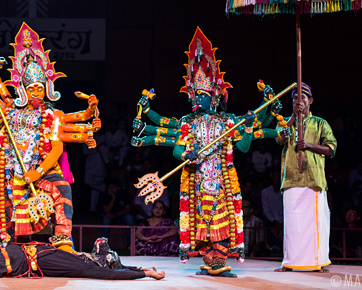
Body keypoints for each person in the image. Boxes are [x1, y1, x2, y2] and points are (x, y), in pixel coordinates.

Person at [0, 23, 101, 250]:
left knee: (63, 189)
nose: (36, 93)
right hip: (14, 170)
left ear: (46, 89)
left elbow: (57, 149)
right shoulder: (11, 111)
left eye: (40, 88)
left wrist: (38, 171)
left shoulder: (51, 115)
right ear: (22, 89)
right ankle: (15, 247)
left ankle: (63, 242)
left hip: (42, 170)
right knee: (14, 208)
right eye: (31, 88)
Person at [133, 28, 262, 277]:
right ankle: (209, 260)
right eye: (194, 95)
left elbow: (244, 147)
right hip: (198, 183)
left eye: (201, 95)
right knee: (201, 222)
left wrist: (246, 126)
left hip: (222, 184)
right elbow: (178, 149)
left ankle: (220, 260)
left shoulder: (227, 123)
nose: (197, 100)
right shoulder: (188, 123)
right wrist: (185, 155)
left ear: (213, 98)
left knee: (221, 221)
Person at [273, 82, 337, 273]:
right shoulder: (285, 121)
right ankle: (289, 262)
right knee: (292, 223)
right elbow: (280, 138)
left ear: (310, 101)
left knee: (315, 223)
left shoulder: (320, 123)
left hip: (313, 178)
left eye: (302, 97)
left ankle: (317, 261)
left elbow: (331, 149)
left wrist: (308, 145)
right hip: (291, 177)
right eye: (294, 98)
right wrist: (293, 116)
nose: (298, 101)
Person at [0, 238, 165, 280]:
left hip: (21, 261)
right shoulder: (78, 255)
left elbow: (113, 273)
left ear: (102, 261)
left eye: (106, 253)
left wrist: (144, 274)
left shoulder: (84, 266)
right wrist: (139, 266)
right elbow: (118, 267)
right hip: (18, 250)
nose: (100, 247)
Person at [100, 179, 135, 246]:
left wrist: (115, 215)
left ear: (118, 188)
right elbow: (107, 211)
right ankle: (103, 246)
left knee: (129, 218)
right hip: (110, 217)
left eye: (114, 187)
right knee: (106, 220)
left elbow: (127, 210)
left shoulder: (124, 194)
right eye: (109, 187)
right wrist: (113, 197)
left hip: (121, 216)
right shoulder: (105, 194)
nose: (111, 189)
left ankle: (131, 245)